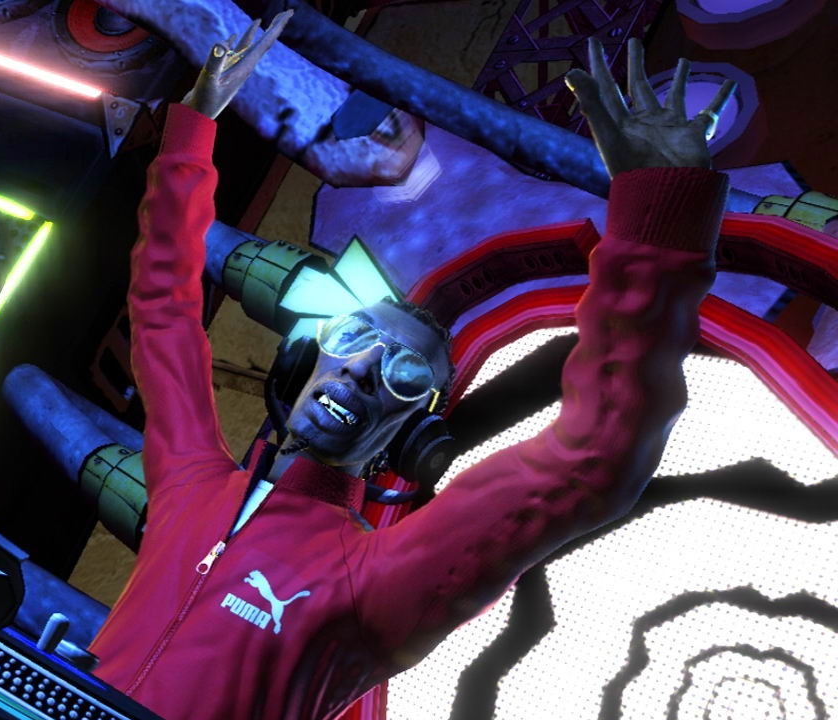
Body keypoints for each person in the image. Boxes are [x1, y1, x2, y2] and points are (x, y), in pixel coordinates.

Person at [86, 14, 735, 720]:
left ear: (412, 432)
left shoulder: (377, 579)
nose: (365, 367)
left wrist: (660, 213)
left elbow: (597, 453)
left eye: (402, 373)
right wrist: (194, 125)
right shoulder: (190, 480)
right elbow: (163, 308)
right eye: (354, 336)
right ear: (306, 357)